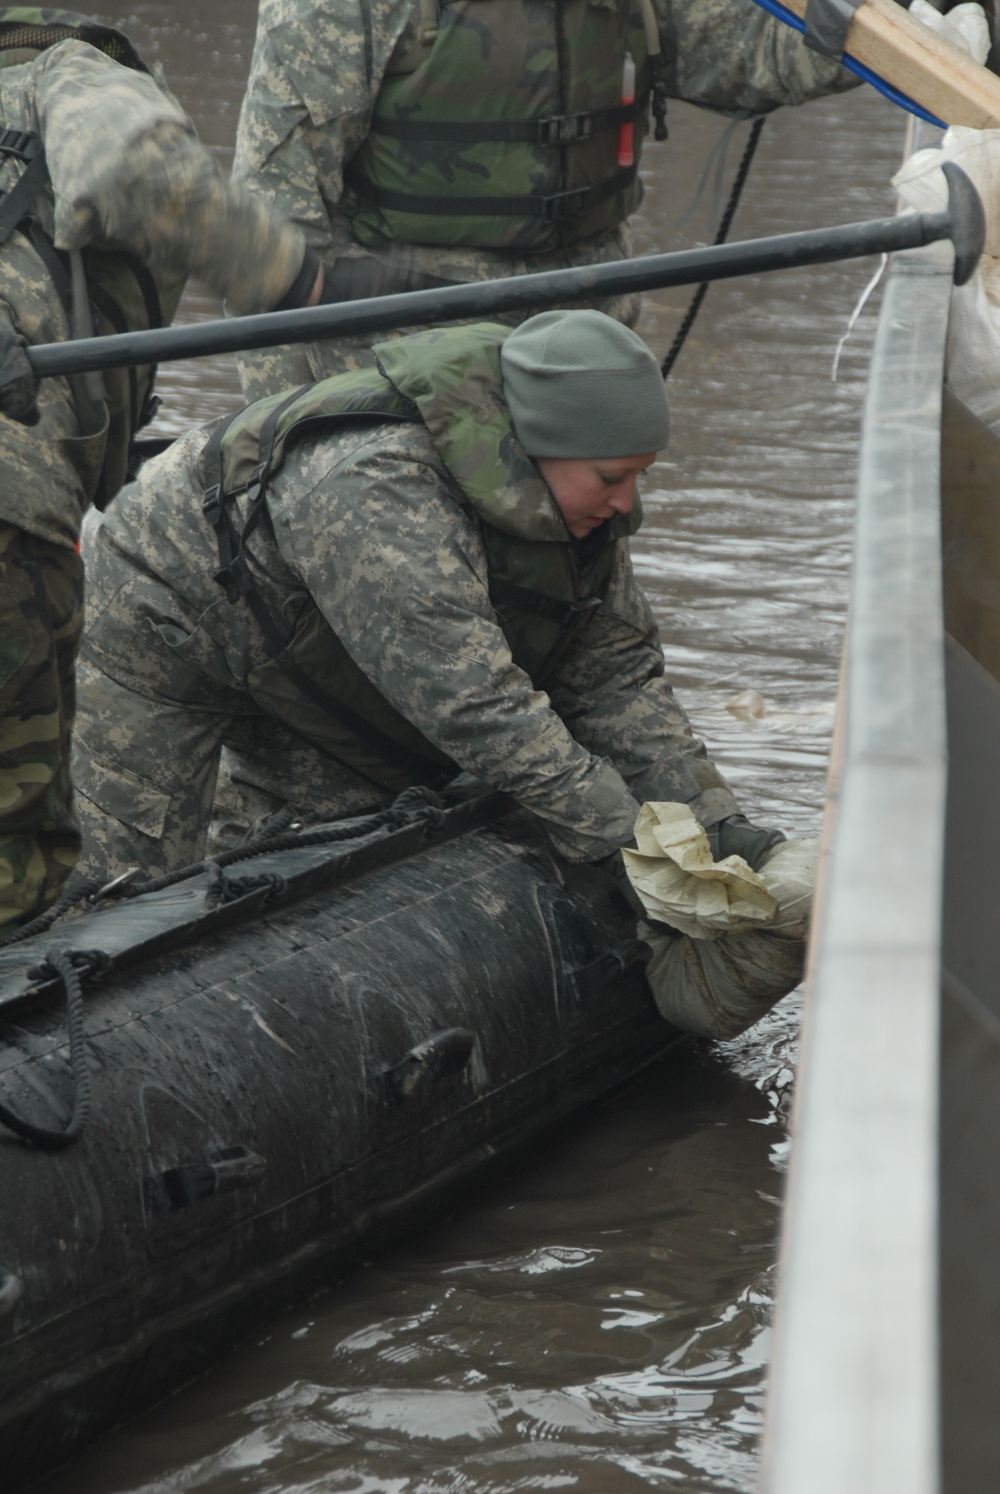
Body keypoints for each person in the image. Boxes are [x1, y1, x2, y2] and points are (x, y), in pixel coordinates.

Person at [71, 310, 784, 891]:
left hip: (312, 639)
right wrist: (633, 848)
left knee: (331, 850)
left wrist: (711, 820)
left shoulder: (580, 507)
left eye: (640, 476)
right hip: (165, 622)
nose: (629, 501)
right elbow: (475, 703)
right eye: (611, 477)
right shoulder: (377, 486)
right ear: (538, 445)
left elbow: (614, 677)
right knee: (129, 882)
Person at [0, 11, 326, 929]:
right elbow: (127, 169)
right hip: (10, 498)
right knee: (16, 863)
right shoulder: (68, 75)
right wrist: (300, 278)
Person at [231, 0, 859, 399]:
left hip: (588, 341)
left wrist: (872, 24)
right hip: (408, 357)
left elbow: (749, 52)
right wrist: (288, 436)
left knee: (577, 581)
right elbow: (272, 226)